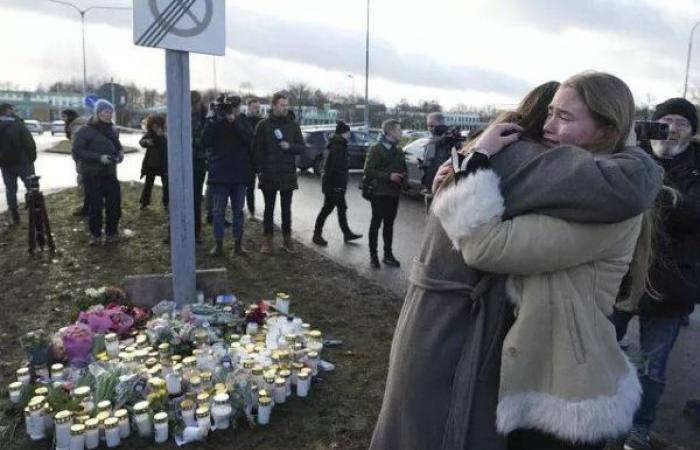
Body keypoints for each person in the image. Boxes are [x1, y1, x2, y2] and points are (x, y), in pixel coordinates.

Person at [370, 74, 663, 450]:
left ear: (606, 130)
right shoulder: (575, 178)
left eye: (565, 117)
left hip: (565, 387)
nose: (549, 126)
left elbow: (486, 246)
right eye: (550, 114)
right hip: (539, 370)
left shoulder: (596, 194)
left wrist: (473, 165)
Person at [610, 97, 700, 450]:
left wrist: (646, 191)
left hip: (671, 282)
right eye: (665, 121)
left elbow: (693, 214)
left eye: (682, 122)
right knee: (596, 347)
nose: (672, 129)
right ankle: (598, 411)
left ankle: (640, 427)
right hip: (619, 275)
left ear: (692, 132)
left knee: (653, 367)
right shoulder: (630, 156)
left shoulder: (696, 167)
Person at [252, 91, 306, 255]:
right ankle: (267, 241)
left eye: (286, 105)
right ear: (273, 105)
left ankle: (287, 240)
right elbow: (256, 150)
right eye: (282, 105)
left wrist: (289, 146)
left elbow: (302, 147)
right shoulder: (263, 125)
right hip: (268, 174)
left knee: (286, 209)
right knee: (268, 209)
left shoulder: (293, 125)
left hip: (287, 174)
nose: (285, 108)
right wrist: (260, 170)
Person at [202, 96, 254, 257]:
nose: (231, 111)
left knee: (238, 211)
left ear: (239, 108)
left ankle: (238, 245)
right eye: (228, 108)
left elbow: (249, 139)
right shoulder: (215, 122)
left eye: (234, 108)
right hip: (219, 175)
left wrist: (235, 122)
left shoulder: (243, 122)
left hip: (239, 175)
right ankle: (219, 245)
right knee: (218, 212)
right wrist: (211, 119)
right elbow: (204, 141)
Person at [72, 99, 123, 246]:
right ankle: (95, 235)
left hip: (109, 174)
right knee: (95, 207)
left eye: (110, 112)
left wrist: (120, 154)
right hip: (92, 175)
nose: (108, 115)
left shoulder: (112, 130)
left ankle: (111, 233)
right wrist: (99, 157)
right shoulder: (85, 130)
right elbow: (77, 151)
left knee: (114, 205)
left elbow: (117, 147)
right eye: (105, 112)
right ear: (97, 113)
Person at [363, 119, 407, 268]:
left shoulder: (399, 150)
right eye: (399, 130)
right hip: (379, 193)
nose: (401, 132)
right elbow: (368, 171)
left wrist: (404, 181)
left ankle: (388, 255)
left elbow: (403, 169)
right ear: (390, 132)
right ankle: (373, 256)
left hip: (393, 193)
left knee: (389, 225)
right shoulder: (376, 149)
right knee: (376, 223)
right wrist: (389, 176)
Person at [312, 121, 363, 246]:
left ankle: (347, 233)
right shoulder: (338, 147)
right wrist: (338, 186)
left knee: (341, 208)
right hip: (334, 185)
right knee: (327, 209)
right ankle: (316, 235)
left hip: (334, 184)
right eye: (348, 132)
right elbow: (334, 168)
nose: (349, 135)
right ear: (344, 133)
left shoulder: (335, 144)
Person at [0, 103, 37, 226]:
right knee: (32, 187)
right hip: (23, 162)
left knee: (11, 190)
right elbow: (29, 143)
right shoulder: (18, 124)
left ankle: (14, 216)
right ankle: (35, 213)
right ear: (7, 110)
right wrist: (32, 158)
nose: (14, 111)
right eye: (12, 109)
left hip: (5, 164)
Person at [61, 109, 89, 217]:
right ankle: (88, 207)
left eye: (64, 116)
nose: (62, 119)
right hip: (84, 158)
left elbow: (77, 145)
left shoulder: (76, 126)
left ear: (69, 116)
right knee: (86, 182)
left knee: (83, 182)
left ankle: (86, 208)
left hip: (83, 159)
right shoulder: (78, 124)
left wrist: (77, 156)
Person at [138, 114, 168, 211]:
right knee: (148, 185)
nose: (156, 128)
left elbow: (164, 146)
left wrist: (160, 137)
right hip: (151, 164)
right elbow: (141, 142)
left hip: (163, 165)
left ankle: (167, 203)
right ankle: (144, 203)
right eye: (154, 126)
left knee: (166, 185)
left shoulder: (164, 135)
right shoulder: (150, 134)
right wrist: (146, 142)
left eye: (158, 126)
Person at [191, 91, 208, 244]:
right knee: (176, 197)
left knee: (195, 198)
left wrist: (193, 140)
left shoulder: (205, 117)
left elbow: (205, 140)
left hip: (198, 161)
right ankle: (174, 230)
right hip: (182, 160)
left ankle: (196, 232)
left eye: (197, 102)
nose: (195, 106)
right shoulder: (180, 114)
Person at [420, 112, 452, 192]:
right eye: (428, 126)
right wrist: (423, 165)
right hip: (429, 187)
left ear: (442, 125)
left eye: (432, 126)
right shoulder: (430, 142)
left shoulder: (452, 142)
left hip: (444, 189)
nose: (430, 129)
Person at [244, 97, 263, 221]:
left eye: (258, 107)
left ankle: (255, 213)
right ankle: (250, 211)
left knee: (262, 187)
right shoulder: (243, 120)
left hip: (259, 159)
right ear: (248, 107)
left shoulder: (262, 121)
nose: (257, 110)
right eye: (254, 107)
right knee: (248, 187)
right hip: (246, 159)